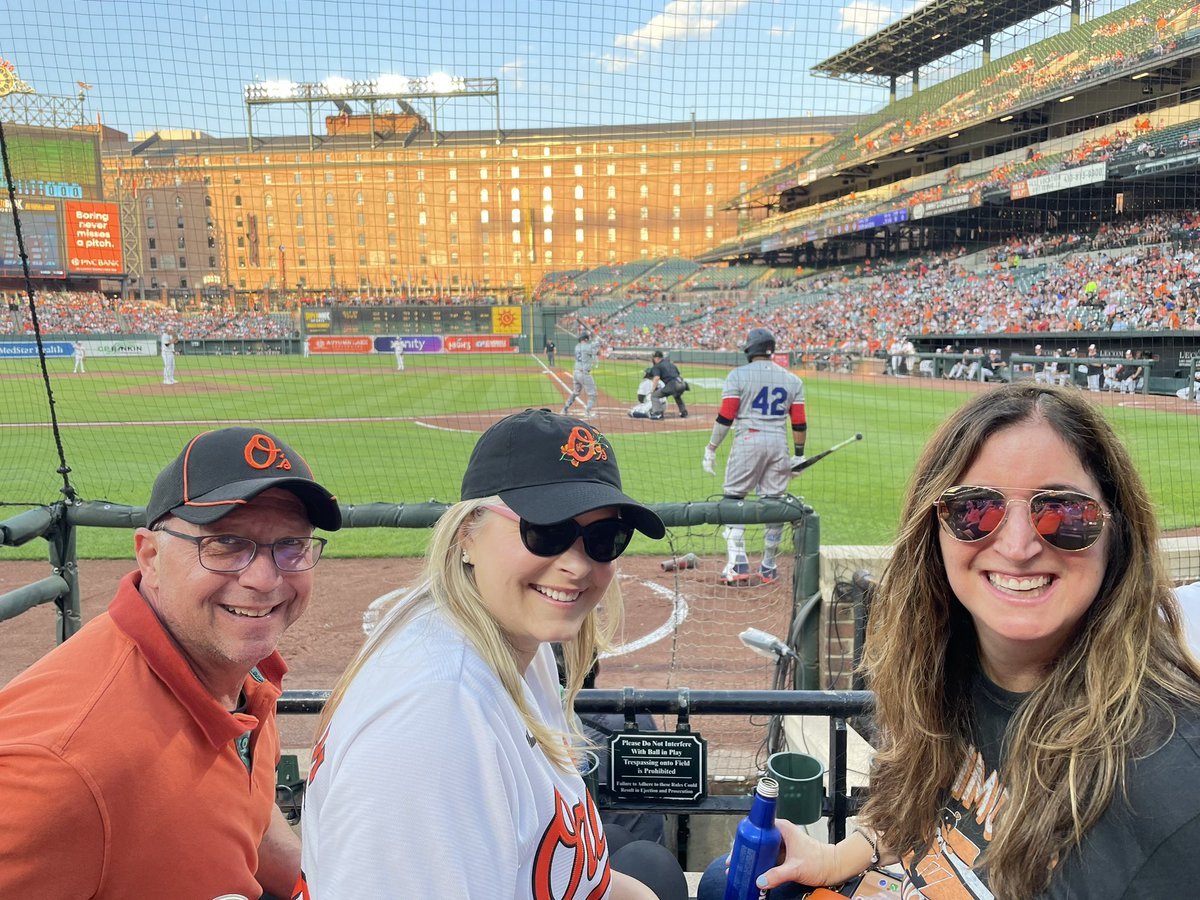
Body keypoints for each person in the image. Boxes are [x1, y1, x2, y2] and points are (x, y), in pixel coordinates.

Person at [699, 382, 1200, 899]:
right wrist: (834, 858)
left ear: (1116, 531)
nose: (1018, 546)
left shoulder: (1170, 790)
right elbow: (914, 810)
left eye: (1063, 512)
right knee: (726, 879)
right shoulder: (949, 662)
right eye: (975, 510)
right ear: (933, 530)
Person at [297, 409, 685, 899]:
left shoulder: (511, 637)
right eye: (545, 530)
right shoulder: (432, 723)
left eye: (604, 538)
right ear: (466, 535)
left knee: (652, 871)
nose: (577, 565)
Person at [0, 426, 342, 897]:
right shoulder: (59, 768)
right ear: (150, 556)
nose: (265, 579)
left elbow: (252, 823)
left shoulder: (241, 670)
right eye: (225, 543)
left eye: (292, 545)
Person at [702, 327, 806, 585]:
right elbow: (800, 423)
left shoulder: (738, 375)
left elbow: (726, 416)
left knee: (733, 499)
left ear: (750, 349)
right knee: (774, 503)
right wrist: (799, 455)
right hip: (779, 444)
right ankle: (769, 566)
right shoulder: (793, 380)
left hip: (748, 441)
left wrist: (712, 447)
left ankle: (738, 564)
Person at [561, 329, 601, 419]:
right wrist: (596, 337)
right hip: (584, 373)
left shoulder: (577, 346)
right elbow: (598, 345)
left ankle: (564, 409)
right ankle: (587, 412)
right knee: (593, 394)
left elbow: (594, 348)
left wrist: (593, 338)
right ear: (586, 339)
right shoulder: (587, 347)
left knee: (575, 392)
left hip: (575, 372)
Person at [647, 349, 688, 419]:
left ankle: (657, 413)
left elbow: (656, 378)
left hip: (674, 384)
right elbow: (677, 374)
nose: (653, 360)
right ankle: (683, 411)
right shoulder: (670, 364)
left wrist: (653, 390)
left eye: (653, 358)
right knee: (677, 395)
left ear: (657, 358)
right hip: (682, 383)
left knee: (654, 395)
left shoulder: (657, 366)